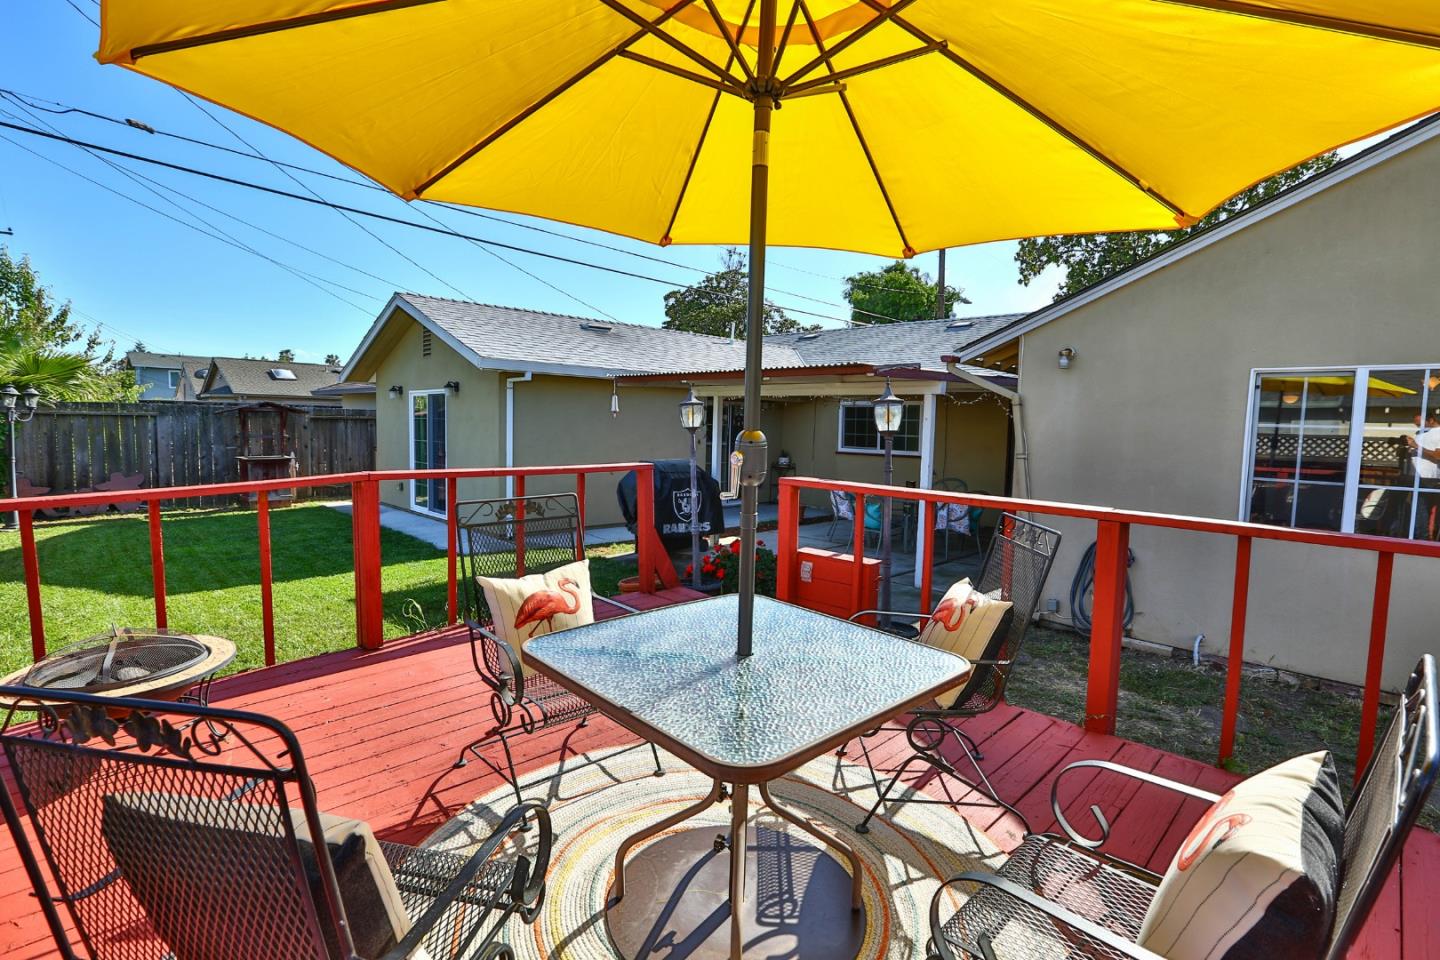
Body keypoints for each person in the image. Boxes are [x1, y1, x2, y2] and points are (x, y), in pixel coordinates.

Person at [1404, 413, 1440, 480]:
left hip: (1428, 477)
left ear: (1431, 420)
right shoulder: (1419, 432)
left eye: (1420, 424)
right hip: (1413, 474)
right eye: (1417, 425)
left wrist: (1417, 446)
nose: (1418, 427)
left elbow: (1438, 455)